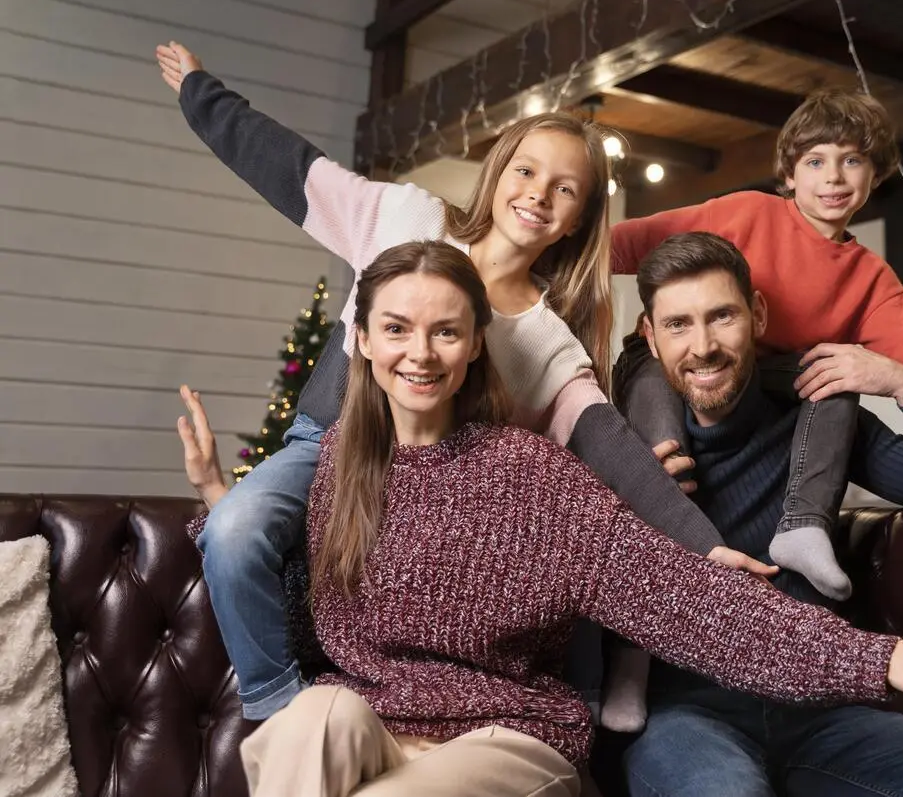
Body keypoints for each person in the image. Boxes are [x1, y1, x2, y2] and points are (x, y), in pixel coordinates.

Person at [176, 240, 903, 797]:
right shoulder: (335, 476)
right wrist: (224, 502)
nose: (418, 352)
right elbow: (287, 612)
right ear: (361, 341)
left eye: (444, 331)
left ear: (473, 347)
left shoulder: (532, 476)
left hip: (504, 742)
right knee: (313, 714)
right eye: (396, 329)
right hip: (374, 729)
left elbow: (686, 599)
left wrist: (876, 659)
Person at [155, 41, 765, 722]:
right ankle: (275, 708)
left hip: (433, 498)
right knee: (235, 527)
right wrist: (201, 95)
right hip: (327, 443)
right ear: (498, 171)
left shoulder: (547, 342)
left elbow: (616, 452)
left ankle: (579, 705)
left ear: (580, 216)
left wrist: (707, 548)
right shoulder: (406, 219)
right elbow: (292, 168)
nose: (539, 193)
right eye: (527, 171)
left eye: (565, 188)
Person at [609, 232, 903, 797]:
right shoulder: (619, 443)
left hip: (828, 707)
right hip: (687, 714)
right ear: (650, 334)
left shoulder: (813, 425)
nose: (704, 345)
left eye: (722, 317)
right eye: (678, 325)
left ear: (757, 315)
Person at [609, 89, 903, 604]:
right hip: (666, 378)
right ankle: (661, 497)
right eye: (816, 161)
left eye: (852, 161)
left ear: (875, 174)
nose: (835, 177)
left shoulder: (870, 279)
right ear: (790, 175)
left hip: (774, 380)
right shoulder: (747, 213)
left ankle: (802, 525)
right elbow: (629, 242)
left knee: (833, 372)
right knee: (653, 408)